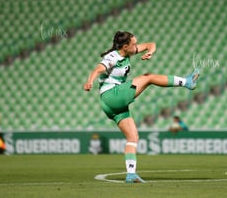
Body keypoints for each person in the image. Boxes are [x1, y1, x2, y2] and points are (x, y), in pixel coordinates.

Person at [84, 31, 200, 183]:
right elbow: (98, 69)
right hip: (112, 95)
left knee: (133, 137)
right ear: (125, 46)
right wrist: (90, 81)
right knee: (148, 77)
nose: (136, 46)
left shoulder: (127, 52)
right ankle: (187, 82)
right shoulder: (113, 57)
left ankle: (131, 174)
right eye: (134, 44)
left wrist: (150, 52)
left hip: (109, 105)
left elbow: (151, 44)